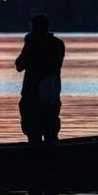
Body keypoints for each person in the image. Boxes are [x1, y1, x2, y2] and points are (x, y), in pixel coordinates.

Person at [15, 14, 65, 144]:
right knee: (51, 131)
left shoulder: (32, 43)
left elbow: (19, 65)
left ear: (34, 28)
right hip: (52, 93)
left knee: (33, 132)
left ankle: (35, 159)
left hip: (32, 94)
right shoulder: (58, 44)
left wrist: (28, 43)